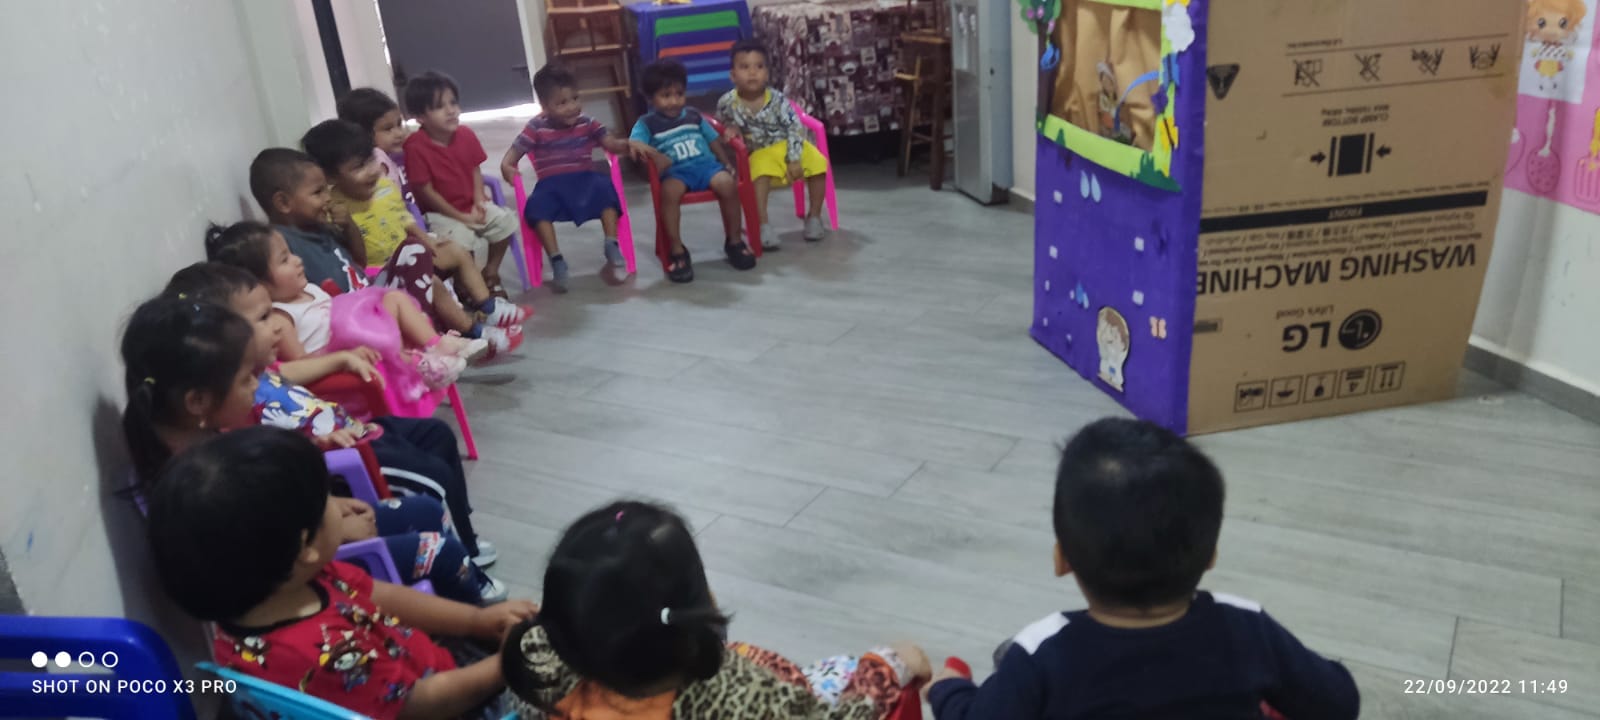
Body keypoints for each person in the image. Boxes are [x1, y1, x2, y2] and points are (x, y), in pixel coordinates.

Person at [926, 418, 1360, 720]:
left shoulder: (1040, 655)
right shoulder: (1247, 628)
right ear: (1211, 556)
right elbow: (1338, 703)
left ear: (1062, 560)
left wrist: (949, 689)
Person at [122, 288, 507, 605]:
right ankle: (471, 630)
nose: (258, 385)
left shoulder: (211, 441)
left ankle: (467, 597)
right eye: (246, 379)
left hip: (314, 530)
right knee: (441, 552)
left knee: (425, 509)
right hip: (306, 576)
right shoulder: (201, 484)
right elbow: (266, 552)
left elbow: (277, 498)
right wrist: (335, 526)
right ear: (197, 402)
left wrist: (331, 506)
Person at [147, 427, 537, 719]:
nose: (342, 506)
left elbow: (381, 594)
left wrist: (475, 620)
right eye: (328, 498)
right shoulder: (328, 653)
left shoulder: (280, 585)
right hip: (439, 703)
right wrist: (505, 667)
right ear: (305, 544)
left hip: (421, 668)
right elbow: (418, 704)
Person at [501, 500, 931, 719]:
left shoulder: (538, 663)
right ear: (696, 610)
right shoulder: (742, 694)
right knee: (843, 670)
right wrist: (888, 666)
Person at [303, 119, 528, 357]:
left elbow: (404, 218)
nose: (371, 170)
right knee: (434, 283)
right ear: (331, 176)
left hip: (410, 255)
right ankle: (474, 332)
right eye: (358, 167)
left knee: (455, 250)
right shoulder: (335, 208)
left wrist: (425, 239)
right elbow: (348, 257)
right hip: (379, 274)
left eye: (370, 160)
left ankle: (488, 307)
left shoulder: (385, 187)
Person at [205, 220, 480, 395]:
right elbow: (300, 361)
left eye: (291, 253)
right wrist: (342, 355)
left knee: (394, 299)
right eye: (285, 260)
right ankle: (425, 363)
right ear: (260, 282)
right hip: (346, 352)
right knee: (383, 330)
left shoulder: (310, 289)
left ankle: (436, 345)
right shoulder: (282, 317)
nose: (298, 260)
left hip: (362, 333)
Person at [499, 63, 637, 292]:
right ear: (545, 106)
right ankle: (556, 258)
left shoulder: (588, 123)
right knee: (536, 207)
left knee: (606, 190)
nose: (572, 107)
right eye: (562, 103)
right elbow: (513, 154)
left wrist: (629, 145)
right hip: (551, 186)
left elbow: (610, 144)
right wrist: (506, 165)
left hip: (585, 180)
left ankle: (611, 243)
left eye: (575, 98)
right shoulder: (536, 127)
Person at [629, 59, 757, 284]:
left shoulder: (693, 115)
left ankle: (734, 241)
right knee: (669, 193)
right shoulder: (646, 123)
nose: (674, 101)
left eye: (679, 94)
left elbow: (713, 140)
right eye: (665, 95)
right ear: (651, 98)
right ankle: (677, 249)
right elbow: (635, 143)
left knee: (727, 184)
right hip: (676, 172)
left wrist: (725, 162)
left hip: (706, 166)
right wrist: (645, 149)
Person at [403, 71, 521, 297]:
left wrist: (478, 200)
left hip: (470, 205)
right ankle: (467, 285)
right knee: (460, 242)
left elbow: (474, 168)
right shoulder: (415, 146)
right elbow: (426, 192)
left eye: (453, 103)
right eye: (439, 106)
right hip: (440, 213)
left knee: (505, 222)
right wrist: (460, 217)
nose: (451, 110)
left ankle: (491, 273)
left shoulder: (465, 134)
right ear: (420, 117)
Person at [717, 39, 831, 248]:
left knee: (818, 163)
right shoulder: (727, 103)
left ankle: (814, 216)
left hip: (788, 145)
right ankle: (762, 225)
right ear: (733, 75)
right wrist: (730, 128)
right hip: (759, 151)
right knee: (759, 171)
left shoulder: (778, 100)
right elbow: (722, 125)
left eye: (759, 67)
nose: (753, 73)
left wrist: (794, 158)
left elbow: (794, 127)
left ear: (767, 74)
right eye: (745, 67)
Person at [249, 147, 371, 293]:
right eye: (318, 192)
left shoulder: (321, 227)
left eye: (327, 189)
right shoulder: (281, 244)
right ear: (283, 203)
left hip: (365, 295)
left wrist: (349, 226)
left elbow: (360, 261)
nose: (328, 198)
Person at [336, 87, 414, 207]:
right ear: (364, 133)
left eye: (399, 124)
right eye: (387, 129)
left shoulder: (396, 154)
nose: (399, 133)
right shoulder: (377, 158)